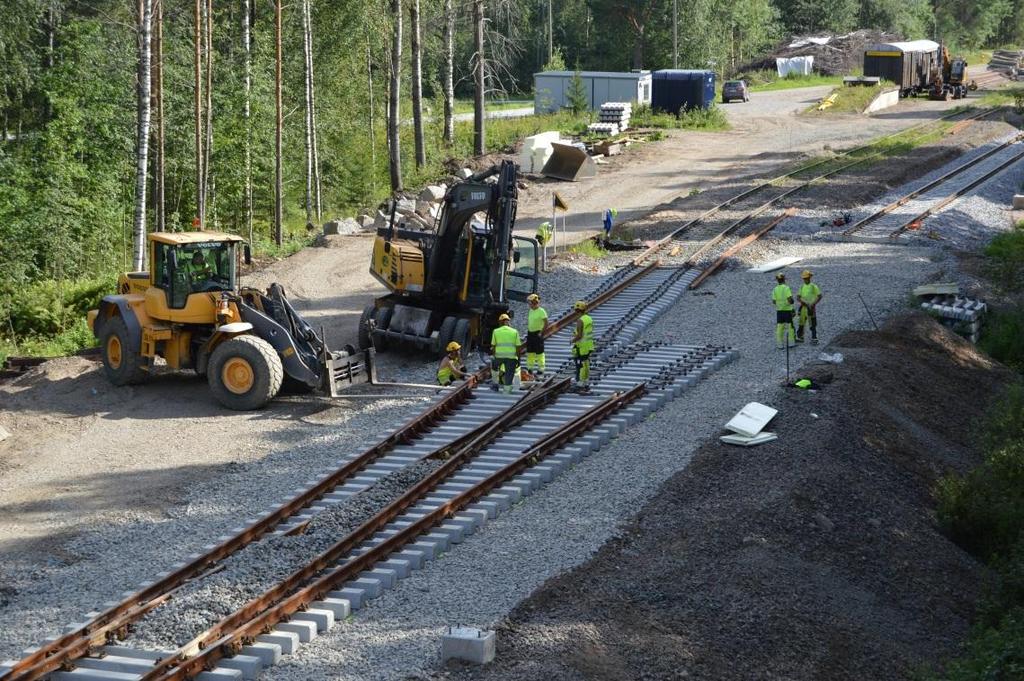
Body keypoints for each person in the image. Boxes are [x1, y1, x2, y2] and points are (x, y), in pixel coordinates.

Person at [489, 313, 521, 394]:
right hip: (511, 357)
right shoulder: (514, 332)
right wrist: (518, 358)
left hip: (499, 357)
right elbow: (518, 347)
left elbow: (493, 346)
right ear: (508, 322)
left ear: (500, 322)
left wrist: (495, 356)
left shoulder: (496, 331)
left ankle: (495, 385)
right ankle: (506, 392)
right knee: (509, 374)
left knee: (494, 365)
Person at [571, 300, 594, 389]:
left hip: (581, 346)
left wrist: (572, 340)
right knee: (586, 362)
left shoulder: (580, 321)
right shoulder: (588, 318)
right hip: (589, 345)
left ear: (577, 310)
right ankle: (585, 380)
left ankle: (580, 381)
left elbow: (579, 335)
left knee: (580, 363)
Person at [796, 269, 822, 344]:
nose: (805, 280)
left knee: (812, 323)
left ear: (809, 278)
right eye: (804, 278)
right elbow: (798, 297)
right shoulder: (802, 287)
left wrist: (813, 303)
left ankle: (814, 337)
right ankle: (800, 336)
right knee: (801, 322)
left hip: (811, 308)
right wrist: (803, 302)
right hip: (804, 307)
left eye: (807, 278)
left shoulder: (814, 286)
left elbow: (819, 296)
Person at [525, 293, 548, 377]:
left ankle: (541, 369)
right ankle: (530, 368)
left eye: (530, 302)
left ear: (534, 302)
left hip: (537, 333)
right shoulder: (531, 310)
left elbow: (546, 323)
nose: (529, 304)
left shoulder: (541, 311)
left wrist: (541, 333)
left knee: (539, 352)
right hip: (530, 333)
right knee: (530, 351)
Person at [771, 272, 796, 350]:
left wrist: (780, 304)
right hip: (787, 310)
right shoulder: (786, 288)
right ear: (784, 279)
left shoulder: (775, 289)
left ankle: (780, 345)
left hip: (779, 311)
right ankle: (791, 343)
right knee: (790, 327)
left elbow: (774, 301)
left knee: (780, 327)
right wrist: (791, 302)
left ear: (777, 280)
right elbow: (790, 299)